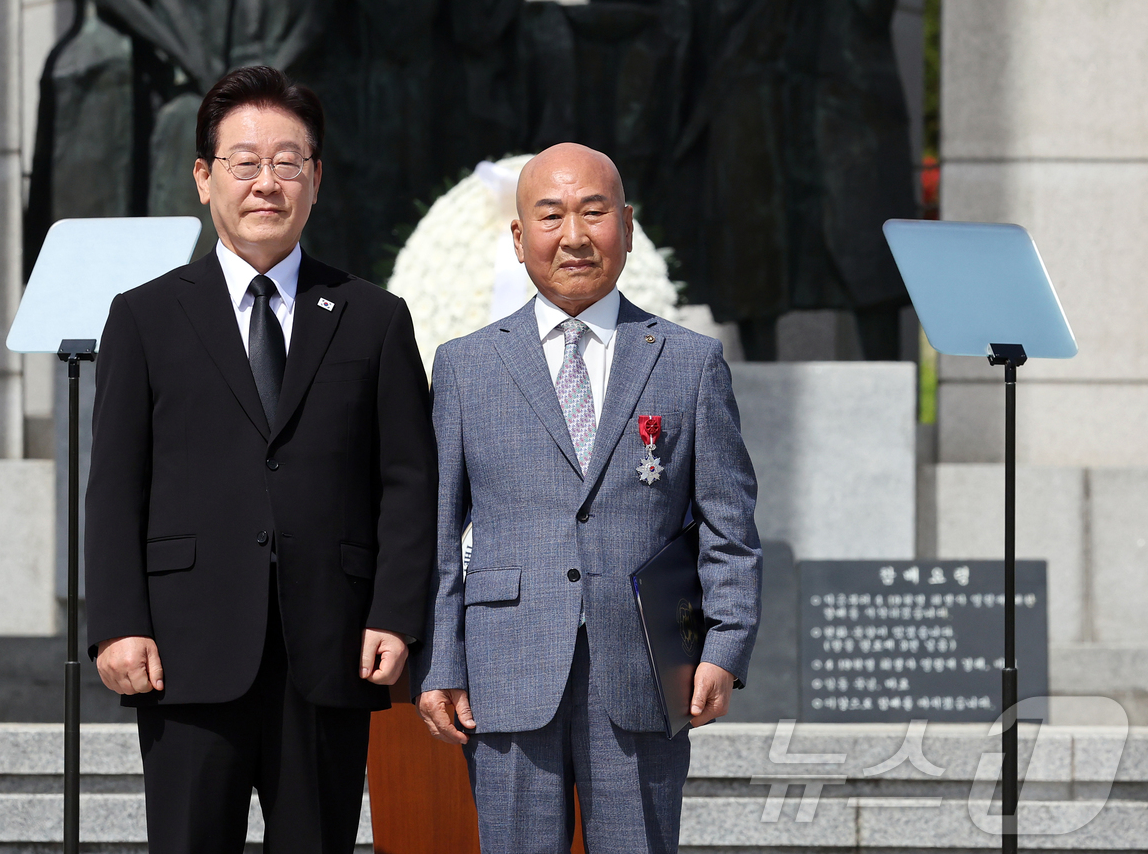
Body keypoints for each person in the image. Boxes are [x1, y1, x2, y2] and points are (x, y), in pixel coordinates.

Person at [84, 66, 437, 854]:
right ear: (204, 178)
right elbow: (114, 487)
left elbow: (408, 482)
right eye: (244, 163)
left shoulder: (373, 319)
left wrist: (396, 611)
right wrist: (116, 624)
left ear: (315, 178)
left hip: (331, 646)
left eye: (288, 162)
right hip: (185, 647)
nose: (266, 183)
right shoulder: (145, 317)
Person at [412, 143, 762, 853]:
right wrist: (441, 663)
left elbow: (730, 524)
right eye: (551, 215)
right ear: (519, 238)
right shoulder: (465, 366)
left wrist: (725, 644)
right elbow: (439, 533)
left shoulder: (689, 362)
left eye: (593, 212)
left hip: (643, 668)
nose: (574, 235)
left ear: (626, 228)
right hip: (506, 668)